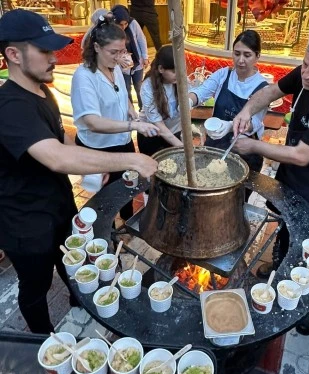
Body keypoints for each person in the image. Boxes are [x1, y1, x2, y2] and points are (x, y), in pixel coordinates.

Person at [0, 9, 158, 334]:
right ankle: (43, 339)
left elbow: (63, 138)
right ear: (14, 55)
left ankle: (81, 310)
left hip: (59, 206)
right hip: (25, 221)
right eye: (43, 50)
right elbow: (56, 157)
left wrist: (93, 159)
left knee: (75, 265)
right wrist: (130, 160)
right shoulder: (9, 106)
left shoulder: (41, 91)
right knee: (37, 285)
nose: (53, 57)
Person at [233, 34, 309, 287]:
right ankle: (280, 266)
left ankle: (302, 295)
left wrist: (253, 145)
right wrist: (246, 111)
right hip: (295, 171)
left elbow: (301, 155)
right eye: (305, 65)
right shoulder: (305, 75)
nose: (307, 75)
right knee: (288, 223)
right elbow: (269, 92)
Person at [71, 16, 158, 220]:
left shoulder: (115, 67)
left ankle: (126, 224)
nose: (119, 56)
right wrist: (132, 125)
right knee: (105, 198)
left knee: (126, 189)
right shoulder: (84, 76)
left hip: (122, 141)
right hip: (98, 147)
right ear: (97, 47)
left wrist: (131, 111)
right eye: (114, 52)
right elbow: (92, 122)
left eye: (122, 51)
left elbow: (122, 93)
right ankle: (107, 235)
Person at [189, 30, 268, 174]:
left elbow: (255, 123)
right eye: (237, 54)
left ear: (257, 56)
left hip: (244, 150)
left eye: (247, 55)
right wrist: (188, 100)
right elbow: (201, 92)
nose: (240, 60)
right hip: (215, 144)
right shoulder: (224, 74)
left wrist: (231, 126)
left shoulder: (263, 88)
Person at [138, 45, 183, 156]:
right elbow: (160, 127)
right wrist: (183, 148)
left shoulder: (181, 80)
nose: (179, 75)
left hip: (174, 131)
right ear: (161, 69)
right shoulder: (148, 87)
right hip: (152, 135)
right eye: (173, 71)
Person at [112, 5, 149, 111]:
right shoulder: (112, 29)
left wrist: (145, 56)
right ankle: (130, 111)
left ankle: (143, 110)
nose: (123, 27)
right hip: (122, 65)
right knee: (126, 89)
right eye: (120, 24)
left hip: (137, 62)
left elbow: (141, 39)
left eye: (125, 23)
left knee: (139, 87)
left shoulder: (133, 23)